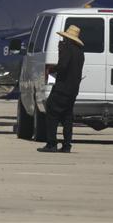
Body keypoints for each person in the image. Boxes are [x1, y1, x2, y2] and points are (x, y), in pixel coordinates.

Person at [38, 24, 85, 153]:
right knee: (67, 116)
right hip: (73, 89)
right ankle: (67, 145)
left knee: (52, 112)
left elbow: (63, 65)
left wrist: (51, 69)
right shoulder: (80, 52)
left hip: (62, 88)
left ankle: (51, 143)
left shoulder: (67, 48)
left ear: (68, 38)